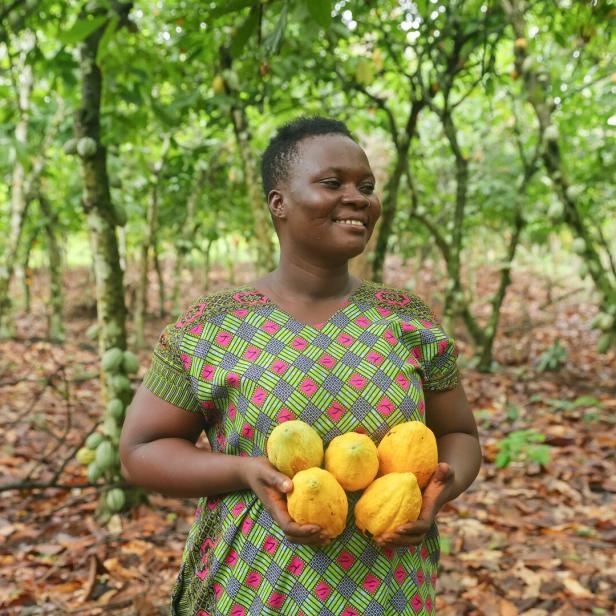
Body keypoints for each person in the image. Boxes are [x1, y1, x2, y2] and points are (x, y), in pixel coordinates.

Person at [120, 116, 482, 615]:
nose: (358, 197)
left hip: (388, 590)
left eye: (367, 186)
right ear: (279, 202)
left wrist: (438, 491)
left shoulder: (407, 319)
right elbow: (140, 449)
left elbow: (460, 435)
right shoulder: (210, 325)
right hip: (252, 588)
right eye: (332, 183)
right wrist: (245, 471)